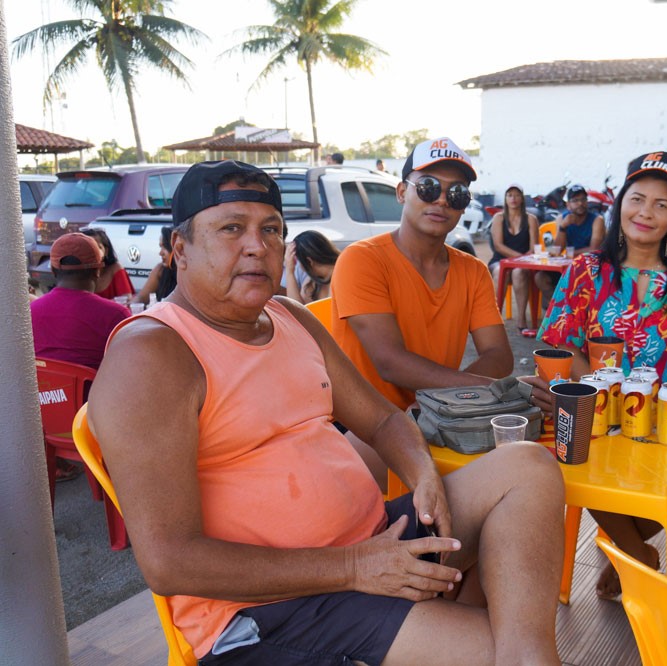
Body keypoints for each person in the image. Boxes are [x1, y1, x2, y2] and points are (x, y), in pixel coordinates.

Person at [87, 159, 565, 665]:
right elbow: (169, 562)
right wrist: (355, 567)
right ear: (179, 249)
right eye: (231, 228)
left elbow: (383, 419)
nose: (257, 246)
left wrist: (422, 474)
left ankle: (514, 648)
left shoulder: (288, 316)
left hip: (375, 542)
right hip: (274, 607)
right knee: (503, 650)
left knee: (527, 467)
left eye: (271, 229)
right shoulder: (153, 354)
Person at [526, 150, 667, 600]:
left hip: (666, 420)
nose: (646, 212)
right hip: (596, 417)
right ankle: (636, 553)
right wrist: (602, 395)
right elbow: (561, 342)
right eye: (637, 199)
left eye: (661, 204)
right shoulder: (586, 270)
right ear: (620, 203)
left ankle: (626, 549)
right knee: (572, 451)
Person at [330, 138, 513, 412]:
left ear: (464, 206)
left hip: (436, 417)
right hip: (362, 421)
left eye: (457, 193)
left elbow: (499, 355)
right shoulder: (362, 259)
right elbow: (390, 362)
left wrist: (448, 401)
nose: (442, 200)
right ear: (402, 192)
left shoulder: (473, 271)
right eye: (429, 187)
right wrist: (475, 391)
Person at [30, 232, 131, 371]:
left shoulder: (30, 313)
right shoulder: (116, 316)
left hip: (43, 385)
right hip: (97, 386)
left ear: (53, 270)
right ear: (98, 271)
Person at [536, 184, 607, 302]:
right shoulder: (562, 218)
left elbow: (594, 250)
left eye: (583, 199)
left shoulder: (597, 220)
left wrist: (570, 253)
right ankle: (558, 308)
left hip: (590, 266)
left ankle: (569, 308)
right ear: (568, 205)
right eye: (575, 200)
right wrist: (563, 227)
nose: (580, 203)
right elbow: (557, 250)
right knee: (540, 277)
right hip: (568, 266)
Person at [486, 183, 539, 335]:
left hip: (523, 263)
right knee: (499, 271)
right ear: (505, 198)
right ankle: (494, 318)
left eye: (516, 195)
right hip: (500, 260)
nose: (513, 198)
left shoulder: (531, 219)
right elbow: (498, 246)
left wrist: (520, 261)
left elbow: (533, 248)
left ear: (522, 198)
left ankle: (521, 319)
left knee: (518, 272)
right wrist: (518, 259)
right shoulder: (498, 218)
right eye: (510, 195)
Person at [283, 230, 340, 304]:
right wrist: (290, 271)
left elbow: (297, 309)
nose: (301, 268)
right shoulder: (313, 282)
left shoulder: (340, 276)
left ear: (309, 262)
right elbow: (298, 308)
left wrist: (289, 271)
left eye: (299, 263)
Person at [81, 227, 135, 300]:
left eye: (97, 247)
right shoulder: (76, 274)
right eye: (87, 248)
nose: (92, 252)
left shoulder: (115, 269)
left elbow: (126, 299)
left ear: (106, 251)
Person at [131, 226, 177, 305]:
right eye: (160, 247)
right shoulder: (160, 269)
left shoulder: (187, 273)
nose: (160, 253)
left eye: (165, 247)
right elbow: (141, 298)